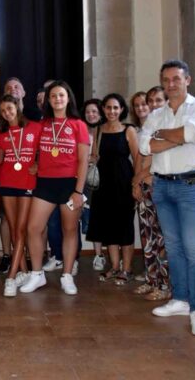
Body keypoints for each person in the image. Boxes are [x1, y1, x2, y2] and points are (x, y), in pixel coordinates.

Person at [139, 59, 195, 337]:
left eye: (176, 79)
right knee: (172, 246)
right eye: (166, 80)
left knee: (194, 249)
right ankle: (180, 299)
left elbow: (194, 132)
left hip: (191, 184)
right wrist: (179, 137)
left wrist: (167, 137)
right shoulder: (156, 114)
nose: (171, 84)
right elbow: (146, 146)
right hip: (162, 186)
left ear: (187, 80)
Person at [21, 80, 89, 296]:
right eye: (53, 96)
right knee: (33, 228)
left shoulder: (78, 125)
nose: (57, 99)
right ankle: (37, 274)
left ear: (68, 98)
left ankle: (67, 275)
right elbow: (38, 152)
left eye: (61, 95)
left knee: (69, 230)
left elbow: (83, 161)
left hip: (70, 185)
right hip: (46, 184)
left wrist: (78, 192)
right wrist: (35, 164)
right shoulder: (43, 124)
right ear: (48, 101)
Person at [87, 94, 138, 284]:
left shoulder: (128, 130)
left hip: (124, 183)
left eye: (115, 108)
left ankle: (127, 269)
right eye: (108, 108)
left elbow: (138, 157)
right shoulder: (99, 130)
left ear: (122, 109)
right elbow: (94, 156)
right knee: (108, 226)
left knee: (124, 226)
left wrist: (135, 183)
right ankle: (115, 267)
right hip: (103, 185)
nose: (112, 111)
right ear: (103, 109)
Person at [0, 95, 41, 296]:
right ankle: (23, 271)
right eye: (3, 111)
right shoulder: (1, 134)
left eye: (9, 108)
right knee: (14, 230)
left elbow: (45, 153)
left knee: (21, 229)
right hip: (7, 183)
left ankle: (11, 277)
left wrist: (38, 164)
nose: (7, 113)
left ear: (17, 106)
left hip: (26, 183)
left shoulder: (35, 127)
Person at [131, 88, 171, 300]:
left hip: (160, 187)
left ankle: (165, 286)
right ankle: (151, 279)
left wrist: (141, 177)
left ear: (166, 101)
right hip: (144, 188)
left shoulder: (170, 127)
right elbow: (141, 156)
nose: (153, 104)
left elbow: (161, 158)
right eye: (150, 101)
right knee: (148, 237)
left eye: (158, 100)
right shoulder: (149, 125)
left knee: (162, 239)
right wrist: (136, 182)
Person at [82, 98, 105, 271]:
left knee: (101, 216)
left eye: (94, 111)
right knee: (87, 215)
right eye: (88, 111)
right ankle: (96, 255)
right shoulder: (81, 130)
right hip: (84, 179)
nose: (91, 114)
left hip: (102, 179)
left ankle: (104, 255)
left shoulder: (105, 130)